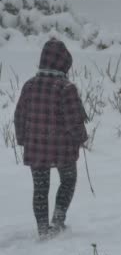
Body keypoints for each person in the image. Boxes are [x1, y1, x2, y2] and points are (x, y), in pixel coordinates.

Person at [14, 38, 88, 240]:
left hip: (36, 148)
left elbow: (19, 115)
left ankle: (43, 230)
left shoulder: (29, 86)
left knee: (40, 188)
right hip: (62, 150)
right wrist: (81, 138)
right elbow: (74, 121)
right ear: (63, 63)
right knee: (69, 179)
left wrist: (23, 139)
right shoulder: (66, 88)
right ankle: (58, 220)